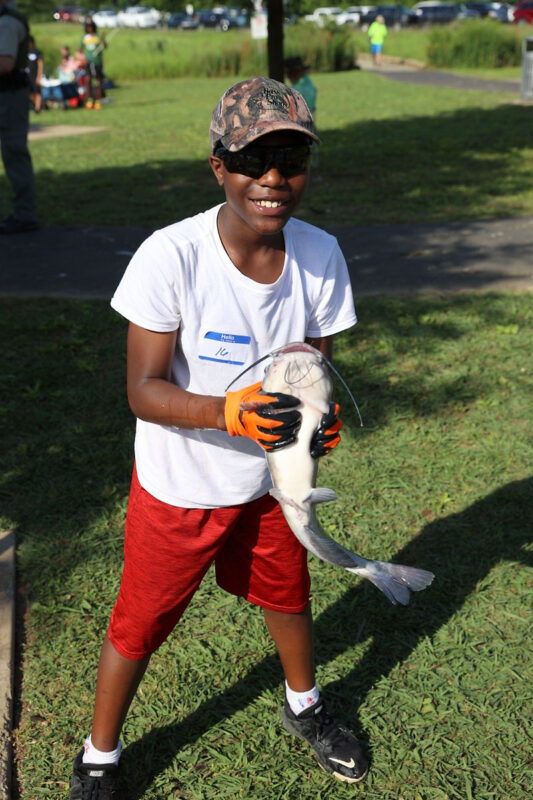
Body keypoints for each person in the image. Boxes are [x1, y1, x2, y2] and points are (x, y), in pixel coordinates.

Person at [68, 76, 368, 799]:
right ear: (217, 167)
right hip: (181, 488)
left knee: (286, 595)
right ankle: (99, 754)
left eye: (290, 161)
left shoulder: (320, 253)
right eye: (251, 161)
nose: (272, 180)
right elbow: (143, 391)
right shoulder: (170, 256)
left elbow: (314, 365)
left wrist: (318, 417)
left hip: (270, 487)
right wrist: (227, 412)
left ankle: (306, 706)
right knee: (139, 624)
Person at [0, 0, 38, 234]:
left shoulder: (7, 22)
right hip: (8, 95)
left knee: (14, 152)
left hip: (9, 97)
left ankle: (25, 214)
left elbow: (5, 64)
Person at [80, 18, 106, 110]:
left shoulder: (97, 36)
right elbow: (80, 50)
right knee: (87, 80)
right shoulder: (84, 37)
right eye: (88, 27)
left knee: (98, 81)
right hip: (88, 62)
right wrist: (82, 58)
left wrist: (103, 39)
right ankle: (90, 100)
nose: (89, 28)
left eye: (91, 26)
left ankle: (98, 101)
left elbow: (104, 46)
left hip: (97, 62)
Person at [26, 34, 42, 112]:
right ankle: (34, 104)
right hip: (27, 76)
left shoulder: (37, 52)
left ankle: (37, 108)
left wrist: (39, 76)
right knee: (29, 92)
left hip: (34, 75)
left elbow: (40, 64)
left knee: (37, 92)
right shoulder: (25, 51)